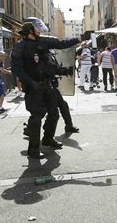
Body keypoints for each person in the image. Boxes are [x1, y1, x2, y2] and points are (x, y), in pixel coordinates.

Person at [11, 17, 80, 159]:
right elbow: (17, 69)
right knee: (36, 117)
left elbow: (61, 44)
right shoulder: (20, 46)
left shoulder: (43, 42)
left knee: (54, 114)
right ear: (29, 30)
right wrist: (30, 83)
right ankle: (33, 149)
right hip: (34, 87)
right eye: (37, 27)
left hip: (48, 84)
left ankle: (48, 139)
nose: (39, 30)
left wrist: (78, 39)